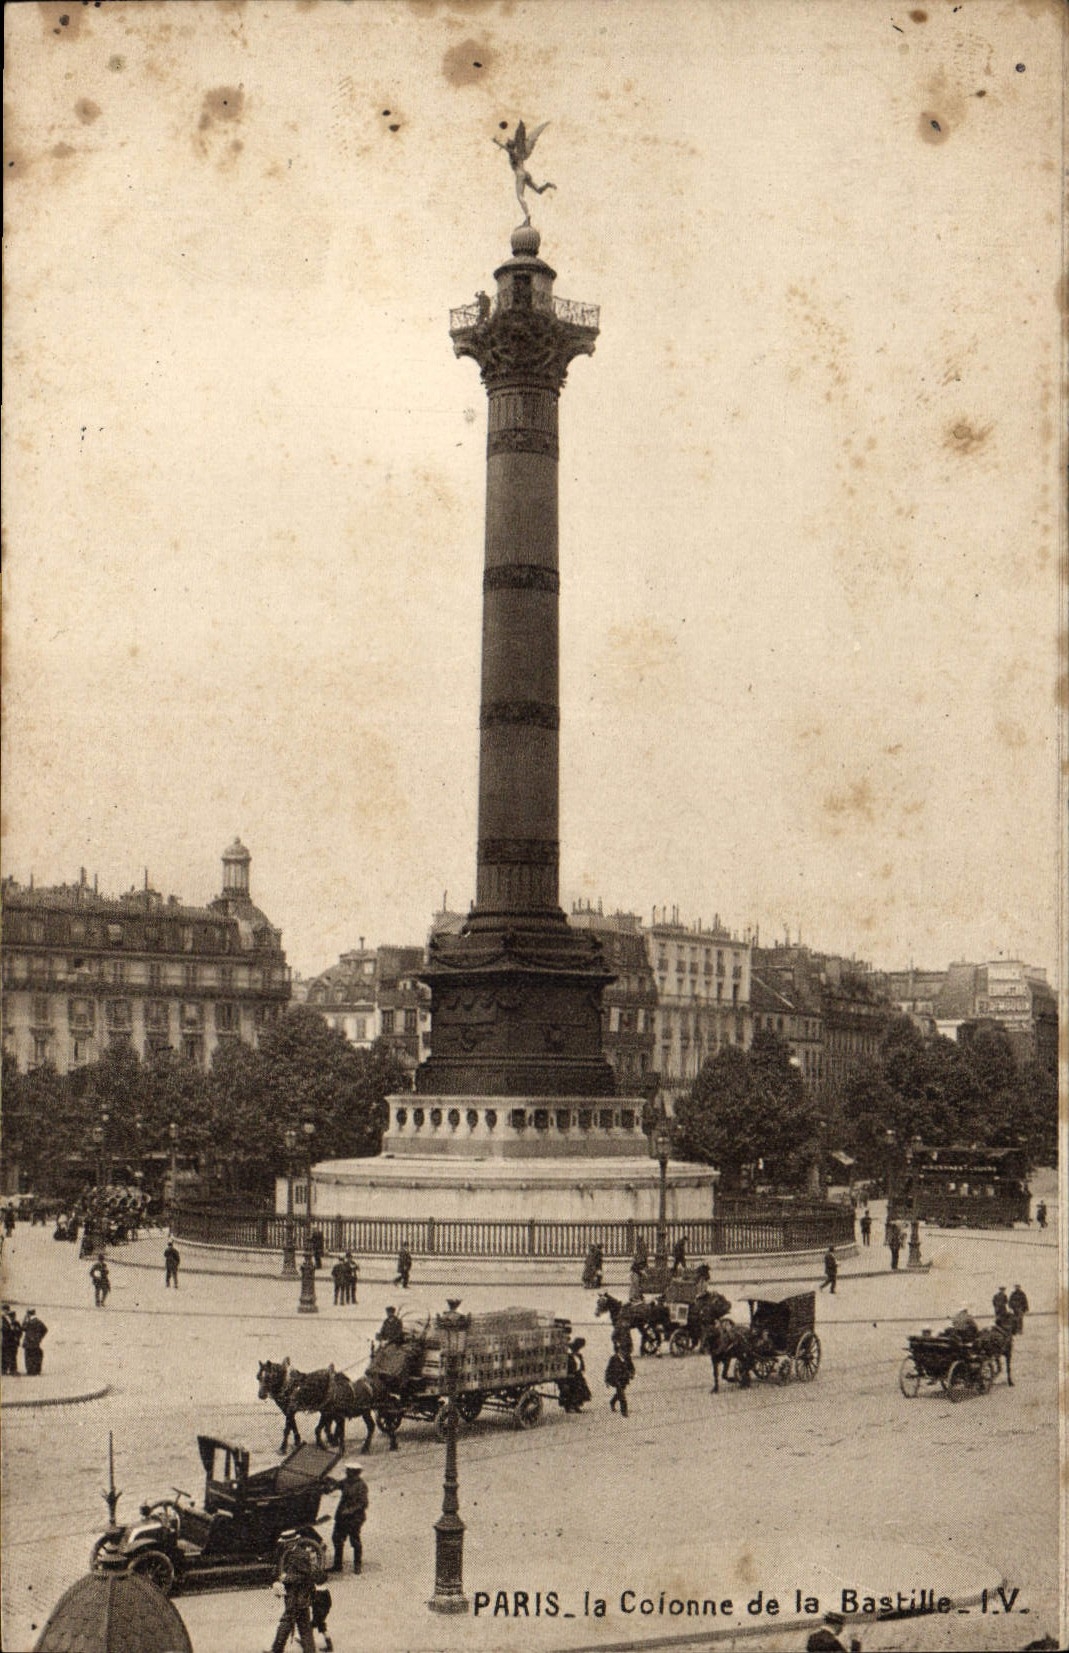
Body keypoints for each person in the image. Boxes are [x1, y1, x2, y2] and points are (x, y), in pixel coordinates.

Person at [268, 1542, 318, 1653]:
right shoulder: (288, 1552)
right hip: (294, 1597)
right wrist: (277, 1580)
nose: (286, 1545)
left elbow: (306, 1576)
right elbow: (280, 1568)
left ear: (294, 1542)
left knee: (289, 1623)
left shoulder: (301, 1555)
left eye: (288, 1543)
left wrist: (287, 1578)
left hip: (299, 1597)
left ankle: (277, 1649)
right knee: (302, 1626)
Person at [329, 1464, 369, 1573]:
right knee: (337, 1539)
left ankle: (357, 1565)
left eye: (349, 1471)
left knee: (355, 1541)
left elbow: (363, 1503)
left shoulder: (361, 1486)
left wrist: (350, 1510)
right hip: (342, 1516)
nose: (346, 1472)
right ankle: (337, 1565)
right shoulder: (346, 1481)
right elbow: (336, 1485)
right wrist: (328, 1482)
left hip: (354, 1518)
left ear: (355, 1472)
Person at [559, 1337, 591, 1413]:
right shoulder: (568, 1355)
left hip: (576, 1375)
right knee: (571, 1390)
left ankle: (576, 1405)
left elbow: (580, 1364)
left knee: (580, 1390)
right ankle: (570, 1406)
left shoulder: (578, 1354)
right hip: (569, 1376)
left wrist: (581, 1369)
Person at [605, 1348, 632, 1416]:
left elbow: (631, 1367)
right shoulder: (613, 1358)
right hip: (616, 1379)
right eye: (623, 1351)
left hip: (624, 1379)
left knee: (620, 1392)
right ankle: (624, 1411)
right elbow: (608, 1369)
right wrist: (607, 1380)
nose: (624, 1353)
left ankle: (612, 1401)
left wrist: (631, 1373)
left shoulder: (627, 1358)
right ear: (619, 1351)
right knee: (622, 1395)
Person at [21, 1309, 48, 1375]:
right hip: (35, 1343)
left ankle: (30, 1371)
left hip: (28, 1342)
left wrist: (24, 1319)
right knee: (36, 1356)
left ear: (28, 1314)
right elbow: (45, 1329)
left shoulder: (28, 1322)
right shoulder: (38, 1321)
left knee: (28, 1357)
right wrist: (39, 1338)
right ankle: (36, 1371)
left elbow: (23, 1328)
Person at [2, 1304, 23, 1375]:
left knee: (12, 1356)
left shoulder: (15, 1323)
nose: (13, 1317)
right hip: (7, 1341)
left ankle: (11, 1370)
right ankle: (5, 1370)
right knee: (6, 1356)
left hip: (12, 1342)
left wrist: (17, 1337)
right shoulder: (4, 1321)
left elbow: (20, 1332)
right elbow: (5, 1331)